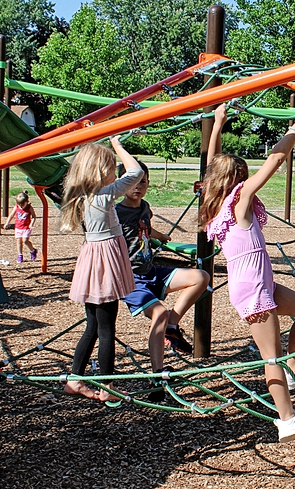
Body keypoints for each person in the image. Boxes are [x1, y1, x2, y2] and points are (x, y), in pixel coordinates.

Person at [200, 103, 295, 443]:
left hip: (262, 282)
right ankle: (286, 419)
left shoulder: (219, 203)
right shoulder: (236, 202)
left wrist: (218, 124)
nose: (245, 181)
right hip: (253, 289)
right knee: (270, 355)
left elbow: (212, 163)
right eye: (241, 177)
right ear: (233, 182)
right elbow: (275, 160)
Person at [116, 161, 210, 401]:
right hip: (131, 279)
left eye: (144, 182)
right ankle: (157, 374)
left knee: (201, 277)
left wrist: (161, 236)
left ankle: (172, 325)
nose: (139, 187)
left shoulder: (145, 207)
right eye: (134, 182)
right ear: (122, 184)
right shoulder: (115, 212)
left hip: (151, 271)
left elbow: (145, 228)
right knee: (158, 312)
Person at [60, 136, 144, 402]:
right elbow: (136, 172)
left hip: (93, 258)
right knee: (107, 329)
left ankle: (75, 379)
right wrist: (117, 145)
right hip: (104, 260)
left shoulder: (83, 196)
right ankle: (107, 387)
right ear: (99, 171)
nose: (114, 171)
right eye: (110, 166)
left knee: (93, 326)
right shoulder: (104, 195)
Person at [4, 191, 38, 263]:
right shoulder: (16, 207)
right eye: (19, 205)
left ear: (27, 202)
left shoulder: (29, 207)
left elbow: (34, 217)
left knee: (25, 240)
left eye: (22, 205)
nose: (21, 206)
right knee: (19, 241)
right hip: (18, 227)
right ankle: (20, 255)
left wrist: (31, 224)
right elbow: (11, 215)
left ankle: (32, 251)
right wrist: (7, 223)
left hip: (26, 227)